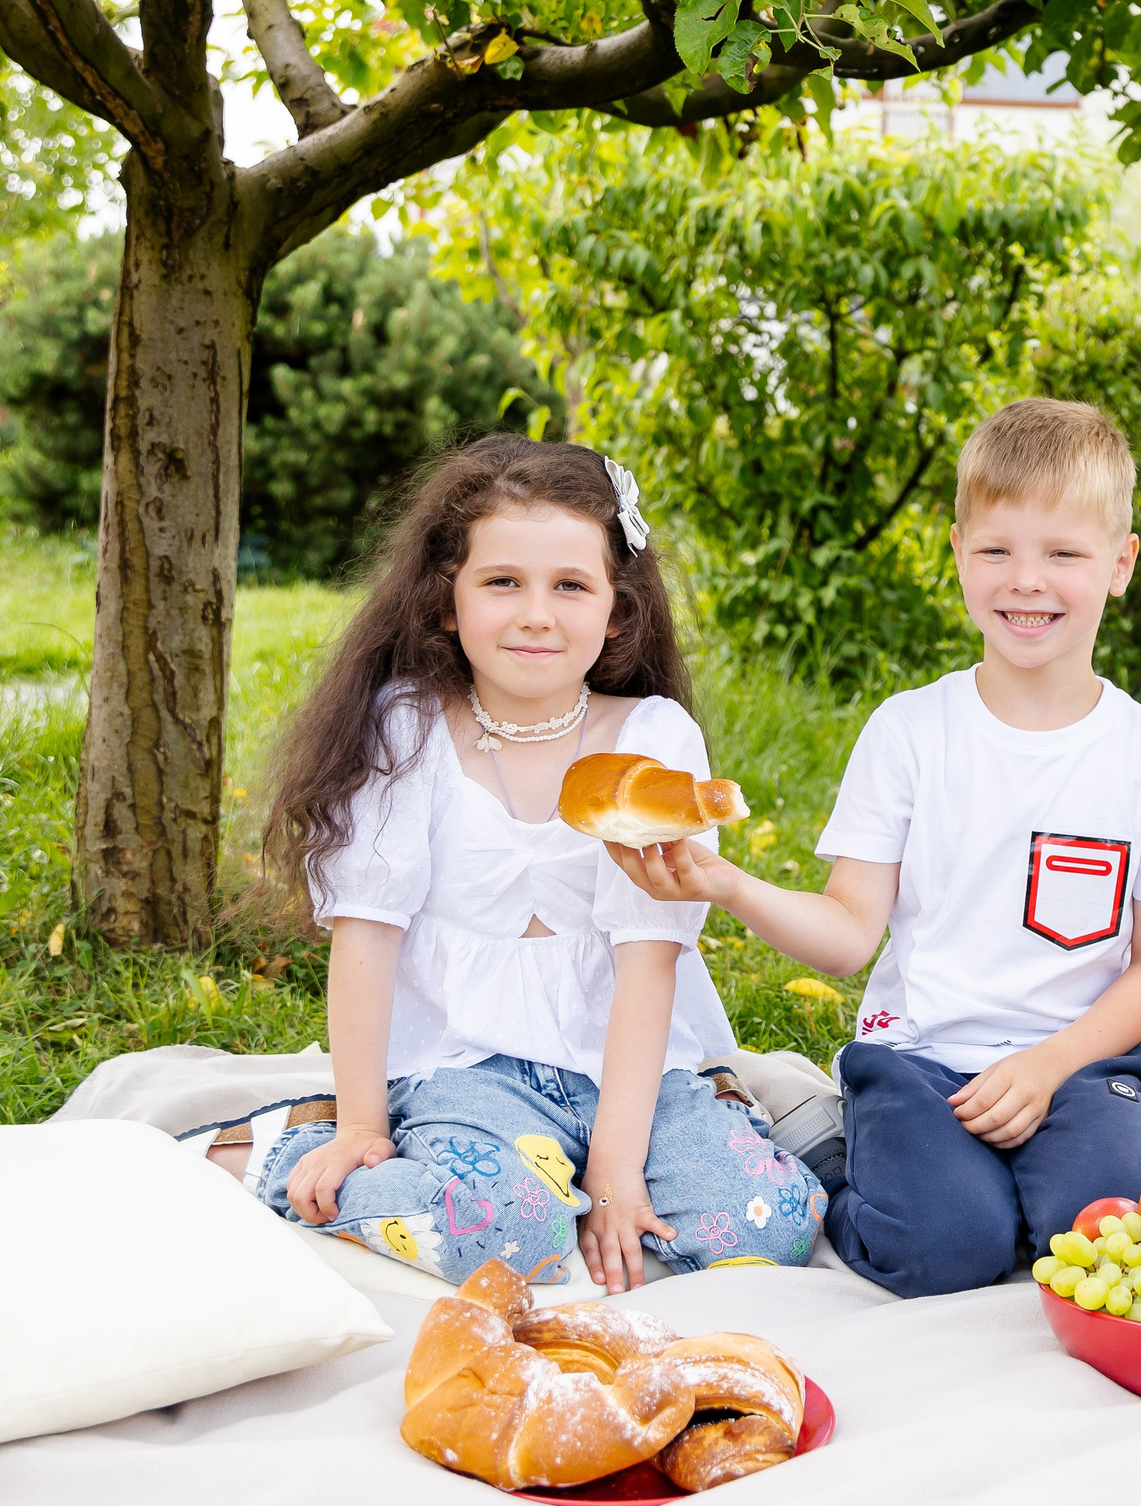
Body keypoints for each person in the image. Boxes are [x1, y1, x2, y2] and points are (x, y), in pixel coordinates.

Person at [606, 399, 1141, 1297]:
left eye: (1063, 553)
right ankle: (843, 1144)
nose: (1028, 581)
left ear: (1121, 564)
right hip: (920, 1058)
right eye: (997, 552)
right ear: (958, 555)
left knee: (1099, 1231)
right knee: (946, 1249)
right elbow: (850, 931)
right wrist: (725, 881)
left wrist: (1051, 1064)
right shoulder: (909, 732)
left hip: (1079, 1063)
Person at [239, 436, 823, 1292]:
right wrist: (364, 1120)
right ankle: (287, 1156)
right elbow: (366, 937)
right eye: (502, 581)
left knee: (770, 1224)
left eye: (571, 586)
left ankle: (595, 1173)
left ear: (617, 613)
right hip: (467, 1066)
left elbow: (648, 961)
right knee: (512, 1237)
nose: (536, 613)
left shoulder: (652, 739)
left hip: (636, 1072)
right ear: (447, 601)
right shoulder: (406, 729)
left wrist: (617, 1169)